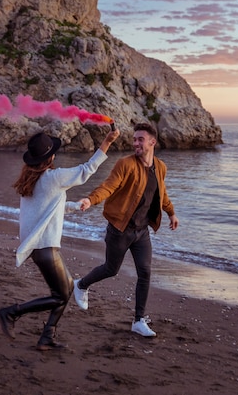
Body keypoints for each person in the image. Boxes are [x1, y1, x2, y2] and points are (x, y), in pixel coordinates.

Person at [0, 128, 120, 351]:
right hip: (45, 248)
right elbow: (86, 170)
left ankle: (47, 337)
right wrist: (107, 142)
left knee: (66, 290)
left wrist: (75, 206)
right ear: (50, 157)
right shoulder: (53, 177)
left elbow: (50, 208)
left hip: (37, 248)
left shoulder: (32, 180)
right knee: (61, 294)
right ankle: (12, 312)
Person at [73, 122, 179, 337]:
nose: (135, 143)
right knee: (111, 269)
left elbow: (161, 193)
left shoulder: (160, 167)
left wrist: (171, 212)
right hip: (119, 229)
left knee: (145, 272)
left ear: (152, 142)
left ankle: (139, 320)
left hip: (142, 232)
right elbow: (108, 186)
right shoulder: (125, 164)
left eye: (140, 139)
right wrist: (90, 199)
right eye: (134, 139)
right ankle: (81, 284)